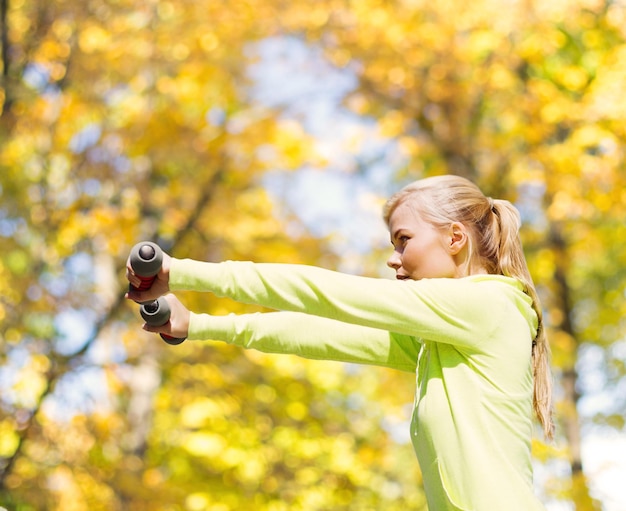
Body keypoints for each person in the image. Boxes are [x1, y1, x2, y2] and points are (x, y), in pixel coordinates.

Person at [126, 174, 554, 511]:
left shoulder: (489, 304)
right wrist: (200, 324)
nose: (393, 258)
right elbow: (320, 333)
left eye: (403, 239)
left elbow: (322, 292)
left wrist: (179, 272)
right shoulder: (440, 339)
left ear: (455, 238)